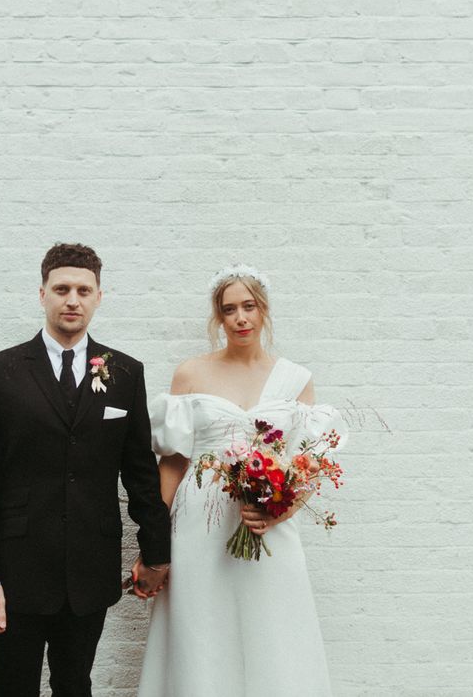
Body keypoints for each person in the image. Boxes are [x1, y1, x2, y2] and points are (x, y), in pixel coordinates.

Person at [0, 243, 171, 697]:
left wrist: (157, 552)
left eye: (83, 289)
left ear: (99, 296)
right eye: (61, 289)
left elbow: (139, 472)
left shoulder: (125, 373)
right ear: (42, 295)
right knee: (12, 688)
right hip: (16, 570)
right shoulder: (0, 372)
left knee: (75, 685)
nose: (72, 299)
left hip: (89, 568)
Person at [137, 264, 344, 697]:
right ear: (219, 318)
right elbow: (173, 463)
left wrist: (279, 510)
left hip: (265, 522)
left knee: (273, 625)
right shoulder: (191, 374)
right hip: (201, 524)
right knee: (203, 627)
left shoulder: (296, 379)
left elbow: (307, 466)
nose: (240, 318)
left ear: (263, 310)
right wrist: (153, 546)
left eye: (248, 306)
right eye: (229, 310)